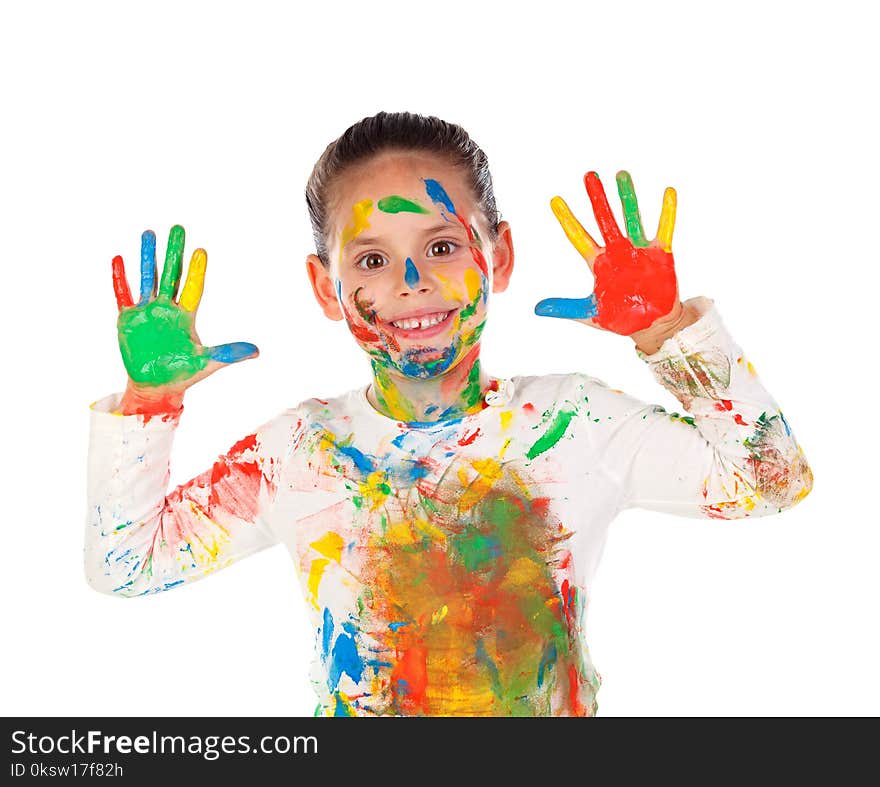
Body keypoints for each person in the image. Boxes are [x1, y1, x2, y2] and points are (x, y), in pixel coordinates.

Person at [85, 110, 814, 717]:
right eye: (370, 259)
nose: (412, 282)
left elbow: (771, 479)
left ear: (497, 256)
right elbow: (126, 565)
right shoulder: (301, 452)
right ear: (324, 285)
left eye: (441, 245)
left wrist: (666, 331)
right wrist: (152, 403)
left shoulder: (570, 422)